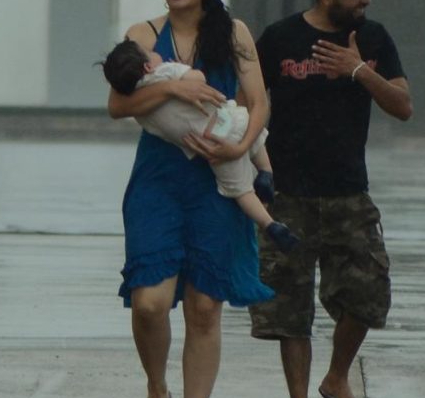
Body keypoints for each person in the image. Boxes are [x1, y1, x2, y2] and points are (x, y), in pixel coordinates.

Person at [107, 0, 275, 398]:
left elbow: (260, 102)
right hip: (158, 179)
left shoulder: (235, 33)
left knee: (205, 306)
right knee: (149, 301)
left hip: (219, 176)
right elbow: (118, 104)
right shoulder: (142, 35)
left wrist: (242, 147)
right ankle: (157, 391)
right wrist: (174, 91)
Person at [249, 0, 412, 398]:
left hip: (348, 192)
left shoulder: (374, 38)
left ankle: (337, 377)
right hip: (288, 194)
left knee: (367, 295)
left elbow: (403, 106)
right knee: (289, 308)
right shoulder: (280, 39)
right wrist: (250, 165)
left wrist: (358, 69)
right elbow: (251, 105)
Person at [102, 40, 299, 252]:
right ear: (148, 67)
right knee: (252, 131)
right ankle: (266, 170)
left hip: (209, 143)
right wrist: (183, 69)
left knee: (240, 191)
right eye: (150, 53)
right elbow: (199, 78)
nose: (156, 54)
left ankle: (270, 224)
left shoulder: (141, 111)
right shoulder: (166, 72)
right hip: (225, 118)